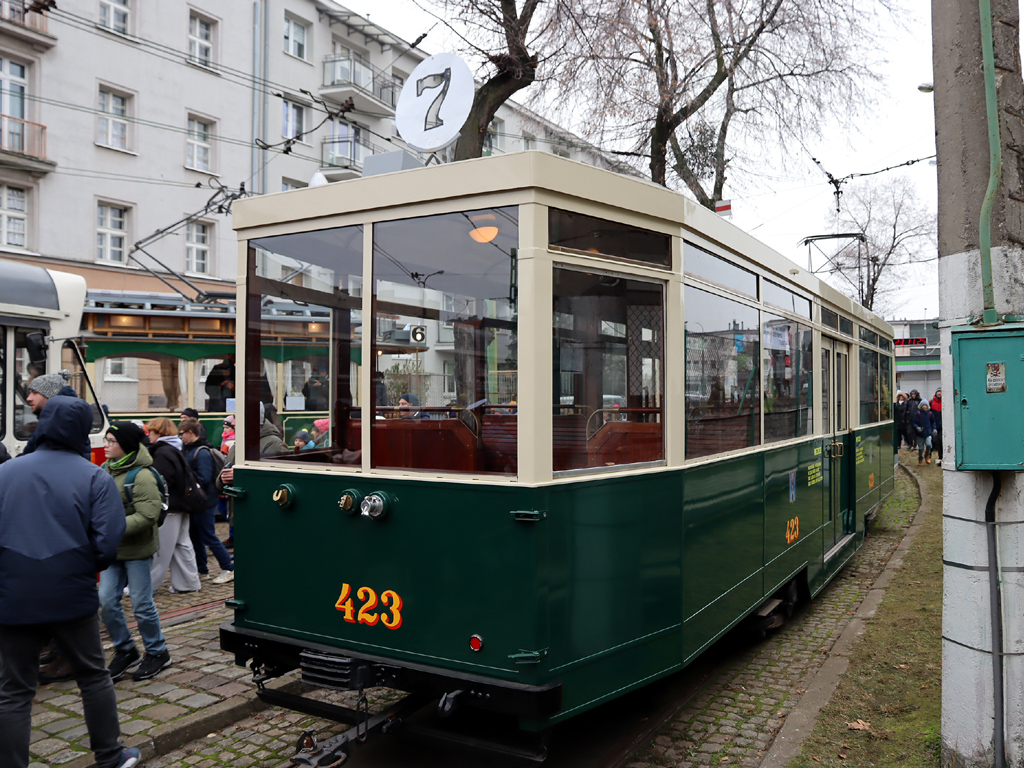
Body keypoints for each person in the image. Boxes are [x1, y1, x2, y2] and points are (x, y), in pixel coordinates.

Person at [0, 397, 142, 768]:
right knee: (93, 676)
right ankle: (110, 757)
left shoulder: (6, 473)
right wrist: (75, 566)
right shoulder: (93, 475)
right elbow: (107, 544)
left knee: (13, 691)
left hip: (12, 594)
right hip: (70, 593)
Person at [100, 421, 172, 683]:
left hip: (138, 549)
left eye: (111, 441)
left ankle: (157, 651)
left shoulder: (141, 475)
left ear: (126, 446)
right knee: (107, 600)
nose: (106, 445)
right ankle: (125, 649)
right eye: (106, 440)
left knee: (142, 604)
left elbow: (148, 514)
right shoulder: (106, 469)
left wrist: (110, 529)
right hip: (112, 549)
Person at [145, 418, 201, 594]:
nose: (148, 435)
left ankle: (146, 587)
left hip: (170, 507)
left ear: (159, 432)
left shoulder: (162, 453)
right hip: (181, 505)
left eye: (151, 431)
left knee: (161, 549)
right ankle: (188, 583)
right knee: (182, 545)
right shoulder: (175, 449)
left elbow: (162, 482)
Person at [179, 418, 234, 585]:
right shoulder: (188, 449)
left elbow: (204, 477)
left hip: (205, 501)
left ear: (190, 433)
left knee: (209, 536)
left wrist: (186, 482)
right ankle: (202, 570)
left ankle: (228, 568)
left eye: (181, 434)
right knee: (195, 536)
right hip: (196, 501)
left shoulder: (201, 452)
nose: (180, 437)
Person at [912, 400, 935, 466]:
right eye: (923, 405)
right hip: (920, 433)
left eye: (926, 405)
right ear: (921, 406)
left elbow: (933, 422)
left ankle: (927, 454)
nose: (924, 407)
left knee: (929, 445)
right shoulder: (918, 413)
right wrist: (917, 427)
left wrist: (934, 429)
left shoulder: (930, 413)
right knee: (921, 448)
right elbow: (914, 422)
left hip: (928, 432)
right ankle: (920, 459)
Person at [929, 388, 943, 466]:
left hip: (942, 426)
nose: (939, 393)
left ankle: (941, 457)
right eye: (938, 392)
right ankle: (928, 455)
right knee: (933, 441)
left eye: (941, 392)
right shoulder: (931, 402)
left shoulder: (945, 402)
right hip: (933, 425)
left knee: (941, 441)